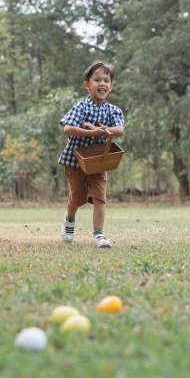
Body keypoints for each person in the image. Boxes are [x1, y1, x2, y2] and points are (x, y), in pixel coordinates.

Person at [58, 60, 125, 248]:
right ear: (87, 85)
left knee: (99, 197)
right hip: (75, 161)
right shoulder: (81, 107)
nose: (102, 83)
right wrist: (90, 132)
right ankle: (69, 220)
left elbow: (119, 130)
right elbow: (68, 128)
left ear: (111, 86)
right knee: (77, 197)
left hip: (100, 161)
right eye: (97, 80)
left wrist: (99, 129)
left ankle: (99, 235)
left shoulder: (113, 110)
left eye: (106, 80)